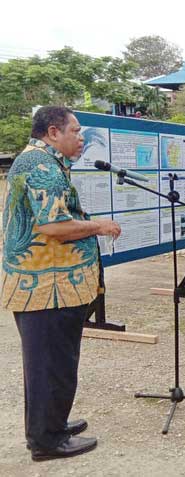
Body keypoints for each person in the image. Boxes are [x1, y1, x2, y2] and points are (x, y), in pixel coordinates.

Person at [2, 106, 122, 461]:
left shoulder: (43, 162)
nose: (81, 137)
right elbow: (53, 227)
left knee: (53, 363)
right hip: (46, 289)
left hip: (50, 286)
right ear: (53, 132)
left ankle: (52, 424)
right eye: (75, 130)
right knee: (50, 365)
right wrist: (98, 226)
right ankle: (47, 440)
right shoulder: (41, 166)